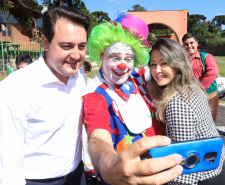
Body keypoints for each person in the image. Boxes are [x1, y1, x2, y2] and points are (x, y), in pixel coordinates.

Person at [83, 13, 183, 185]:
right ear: (101, 55)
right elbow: (98, 137)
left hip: (163, 167)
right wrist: (107, 164)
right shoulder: (95, 95)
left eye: (128, 59)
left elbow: (167, 68)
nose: (123, 65)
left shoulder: (138, 76)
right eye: (115, 57)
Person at [0, 6, 89, 185]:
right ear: (45, 42)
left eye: (82, 46)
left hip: (78, 175)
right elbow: (8, 157)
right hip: (36, 181)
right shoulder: (15, 88)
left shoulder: (80, 77)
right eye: (66, 46)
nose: (77, 55)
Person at [147, 38, 225, 185]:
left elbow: (185, 162)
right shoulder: (189, 86)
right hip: (215, 166)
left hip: (202, 177)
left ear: (177, 64)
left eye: (164, 63)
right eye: (153, 64)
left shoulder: (177, 102)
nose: (157, 70)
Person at [182, 33, 219, 123]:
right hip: (190, 99)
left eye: (191, 43)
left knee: (210, 124)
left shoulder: (206, 56)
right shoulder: (182, 60)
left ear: (196, 43)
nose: (189, 46)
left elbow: (213, 72)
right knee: (194, 123)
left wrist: (197, 89)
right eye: (186, 44)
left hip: (209, 97)